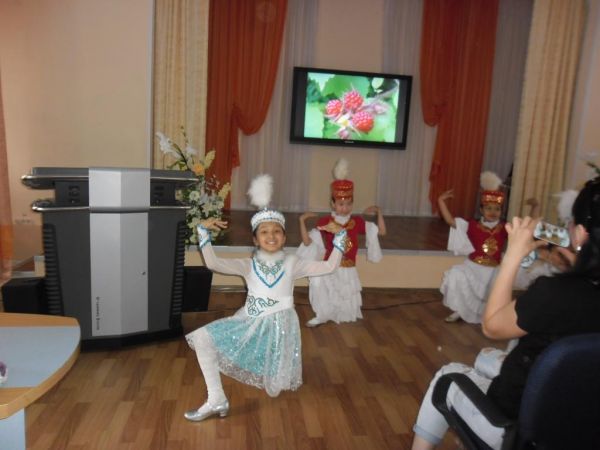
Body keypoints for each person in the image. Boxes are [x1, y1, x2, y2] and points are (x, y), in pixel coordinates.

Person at [411, 177, 600, 449]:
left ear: (580, 234)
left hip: (518, 429)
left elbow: (492, 326)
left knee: (447, 375)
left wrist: (512, 256)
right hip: (581, 426)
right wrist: (578, 261)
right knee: (485, 358)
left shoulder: (554, 294)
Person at [183, 174, 347, 422]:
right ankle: (216, 398)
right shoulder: (248, 265)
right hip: (250, 321)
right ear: (255, 239)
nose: (271, 236)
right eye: (264, 232)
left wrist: (340, 237)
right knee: (203, 338)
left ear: (284, 237)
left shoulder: (293, 263)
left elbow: (329, 267)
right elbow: (214, 263)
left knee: (276, 386)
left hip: (280, 328)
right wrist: (203, 232)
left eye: (277, 231)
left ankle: (232, 393)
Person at [297, 158, 386, 327]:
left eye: (348, 204)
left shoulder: (357, 222)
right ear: (333, 203)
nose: (344, 208)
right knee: (319, 284)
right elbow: (307, 242)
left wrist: (379, 212)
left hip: (348, 267)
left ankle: (342, 314)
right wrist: (301, 221)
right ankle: (322, 314)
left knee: (344, 295)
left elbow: (381, 232)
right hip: (330, 265)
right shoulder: (325, 221)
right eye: (340, 204)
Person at [438, 171, 509, 323]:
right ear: (481, 210)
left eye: (497, 209)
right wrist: (441, 201)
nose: (493, 212)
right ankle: (460, 310)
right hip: (474, 266)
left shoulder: (504, 228)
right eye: (489, 208)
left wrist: (534, 208)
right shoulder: (472, 225)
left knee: (490, 295)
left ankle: (489, 316)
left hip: (493, 269)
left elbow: (526, 230)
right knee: (456, 275)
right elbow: (450, 221)